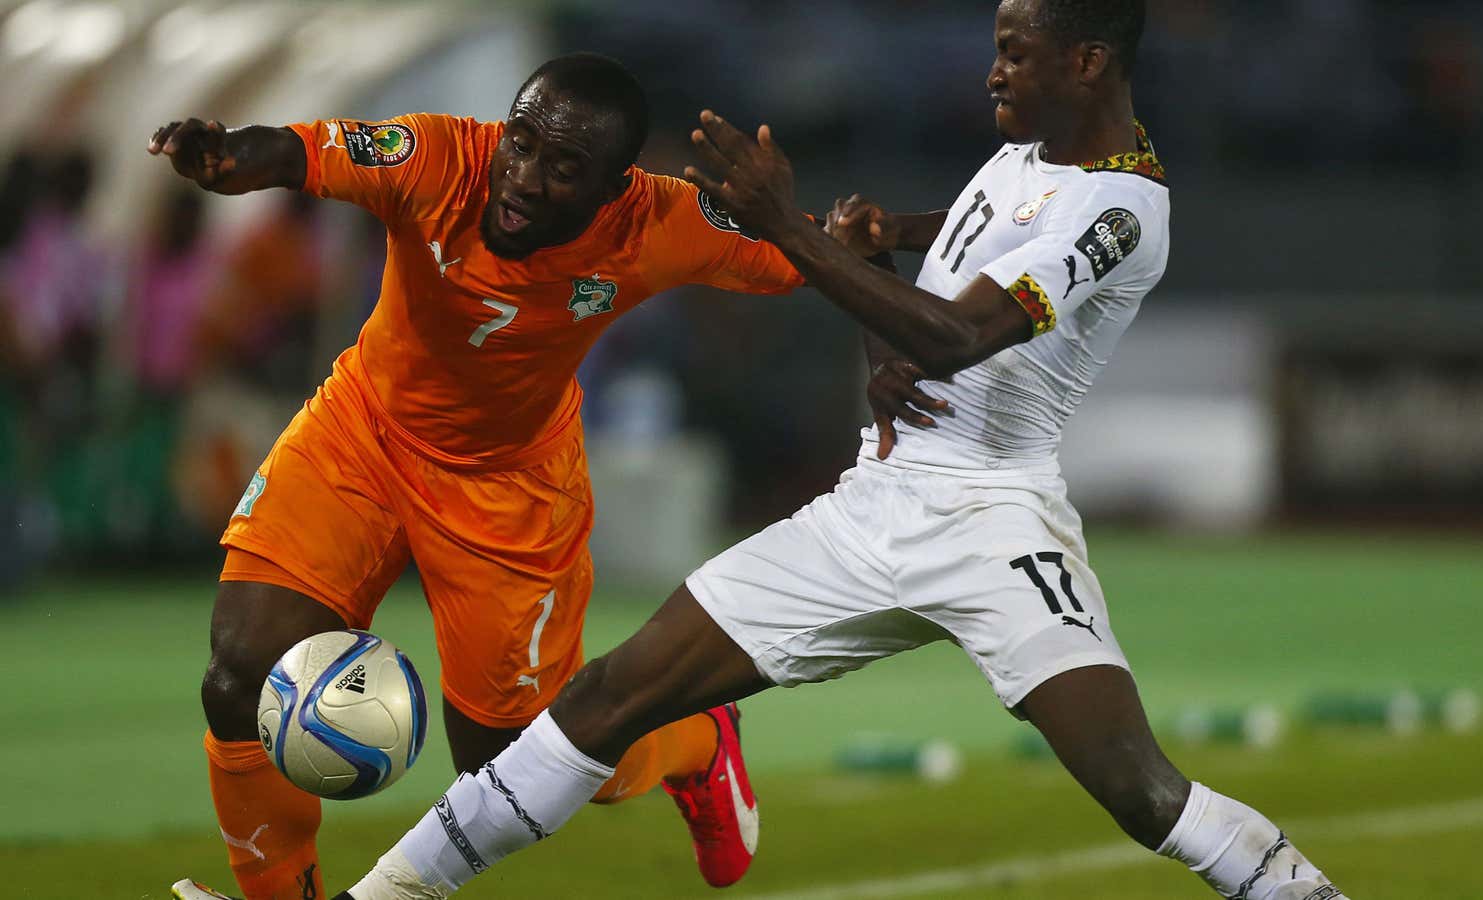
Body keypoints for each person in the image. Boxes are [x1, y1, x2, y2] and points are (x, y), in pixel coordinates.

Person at [333, 2, 1351, 899]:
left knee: (1140, 790)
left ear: (1085, 62)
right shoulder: (1028, 159)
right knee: (607, 697)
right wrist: (876, 235)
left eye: (1014, 51)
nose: (992, 70)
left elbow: (954, 335)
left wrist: (788, 224)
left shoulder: (1125, 209)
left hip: (995, 520)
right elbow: (959, 249)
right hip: (873, 505)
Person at [154, 53, 804, 900]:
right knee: (239, 673)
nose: (526, 178)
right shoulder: (438, 159)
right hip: (364, 432)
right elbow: (297, 150)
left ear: (615, 187)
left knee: (519, 763)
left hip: (508, 489)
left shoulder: (659, 222)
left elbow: (808, 254)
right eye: (521, 143)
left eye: (564, 167)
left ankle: (694, 741)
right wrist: (227, 156)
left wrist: (902, 234)